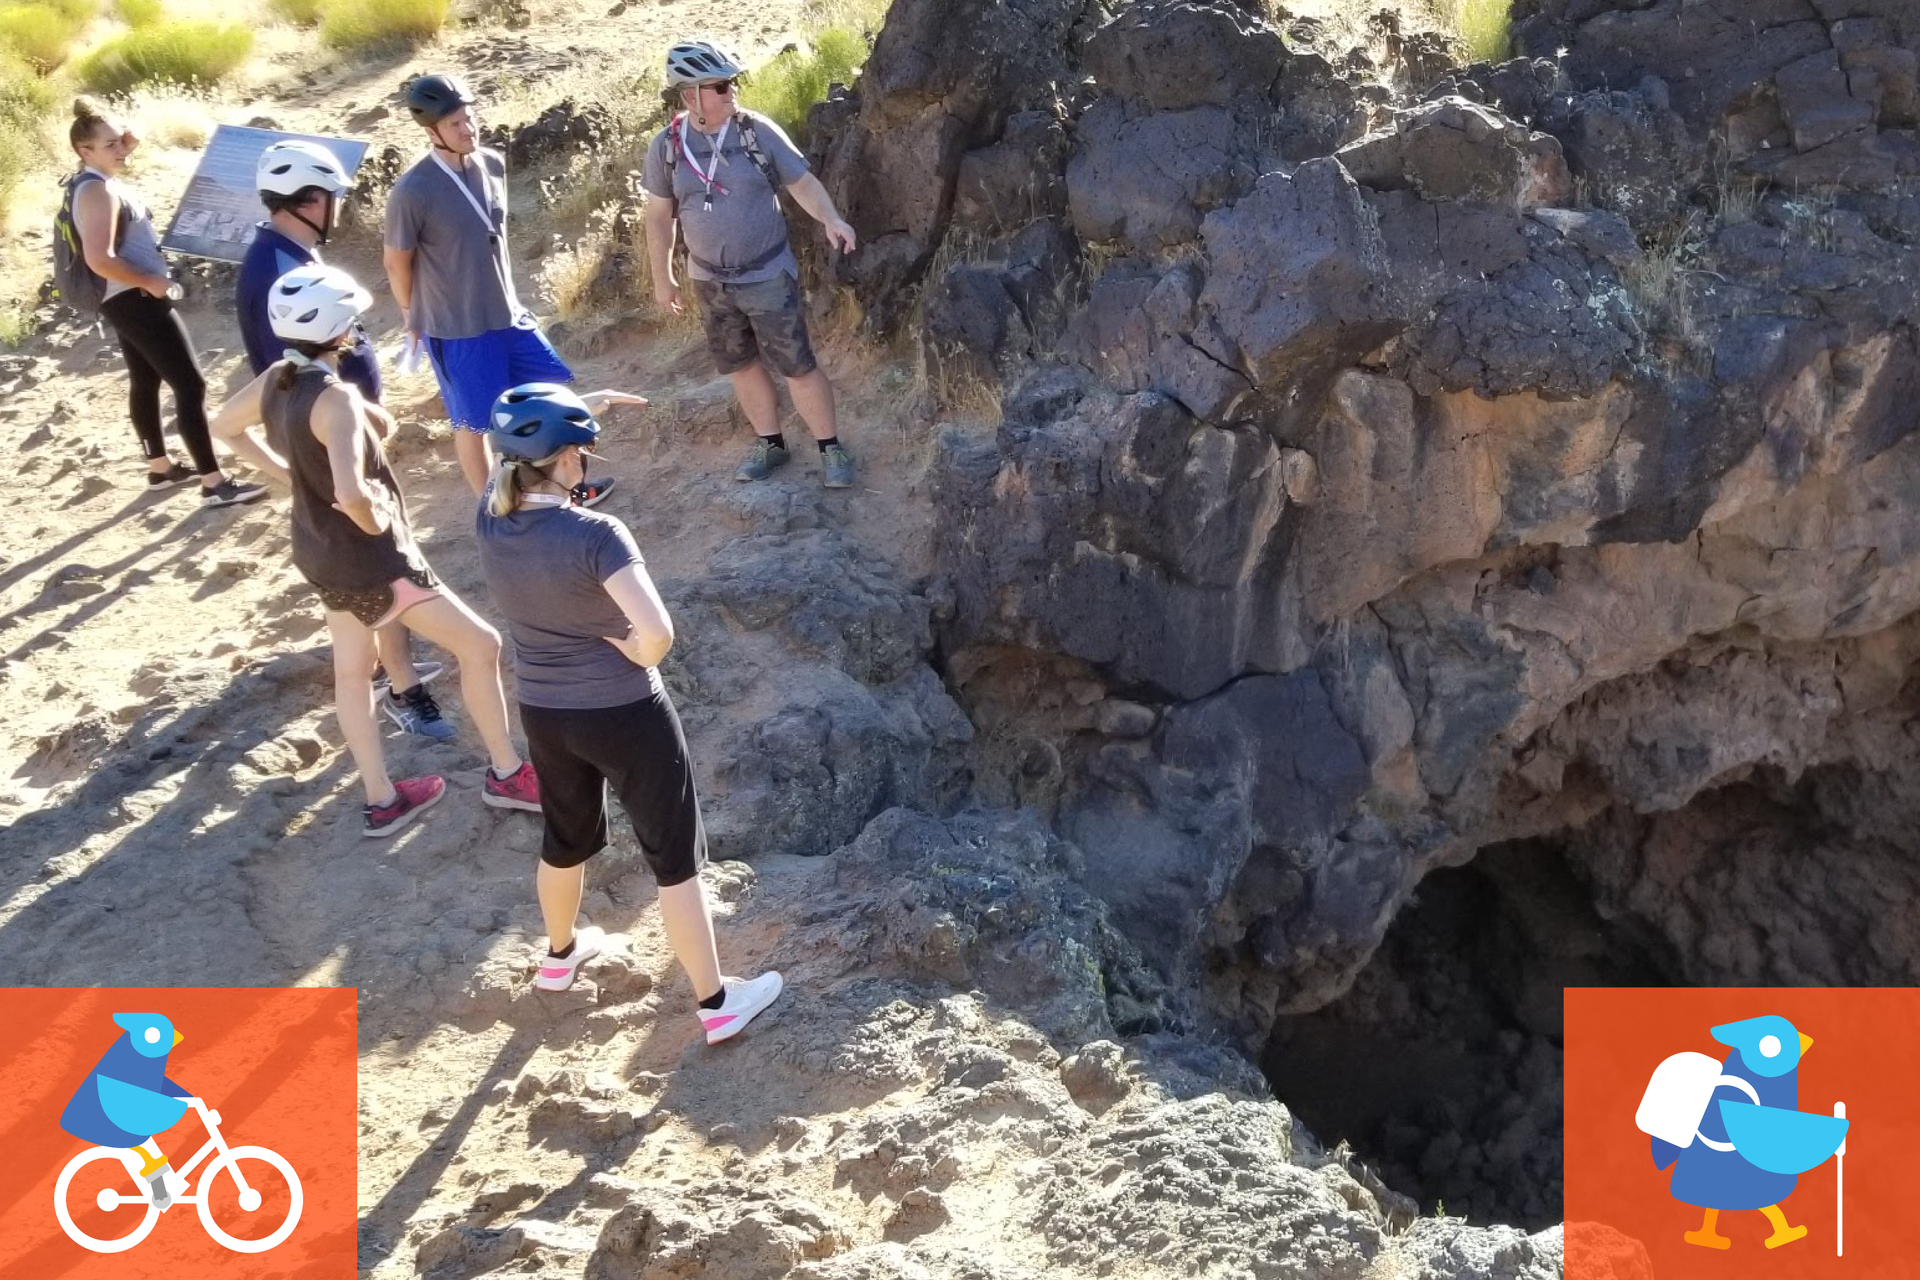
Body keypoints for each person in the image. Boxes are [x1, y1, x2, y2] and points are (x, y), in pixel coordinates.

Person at [474, 382, 784, 1044]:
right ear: (567, 461)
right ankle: (717, 1003)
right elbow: (658, 634)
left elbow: (500, 447)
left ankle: (559, 959)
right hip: (625, 710)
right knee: (675, 858)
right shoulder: (595, 533)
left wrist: (574, 411)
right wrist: (633, 647)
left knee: (565, 838)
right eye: (583, 449)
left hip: (544, 710)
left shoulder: (489, 513)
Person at [209, 264, 544, 837]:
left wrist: (289, 475)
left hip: (319, 556)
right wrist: (370, 514)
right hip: (376, 561)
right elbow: (350, 491)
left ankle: (382, 800)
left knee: (352, 675)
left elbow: (224, 426)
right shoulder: (333, 399)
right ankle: (507, 774)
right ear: (341, 329)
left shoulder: (276, 379)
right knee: (481, 646)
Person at [237, 138, 449, 737]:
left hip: (342, 434)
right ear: (306, 200)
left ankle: (394, 675)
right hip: (333, 439)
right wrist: (305, 468)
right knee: (382, 559)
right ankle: (403, 687)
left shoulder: (284, 254)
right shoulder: (278, 268)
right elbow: (276, 375)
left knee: (374, 571)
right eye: (331, 197)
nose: (338, 208)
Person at [382, 72, 613, 507]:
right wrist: (411, 315)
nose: (468, 129)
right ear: (431, 131)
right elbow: (396, 262)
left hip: (509, 314)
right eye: (454, 124)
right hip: (456, 326)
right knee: (473, 424)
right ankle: (497, 509)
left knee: (553, 394)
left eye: (469, 118)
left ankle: (568, 489)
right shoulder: (412, 191)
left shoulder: (492, 163)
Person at [642, 40, 859, 489]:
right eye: (720, 86)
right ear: (690, 96)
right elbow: (659, 218)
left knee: (797, 365)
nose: (731, 92)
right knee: (740, 365)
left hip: (767, 274)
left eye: (732, 83)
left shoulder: (755, 131)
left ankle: (831, 448)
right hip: (709, 280)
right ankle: (772, 444)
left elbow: (802, 182)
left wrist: (831, 219)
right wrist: (662, 279)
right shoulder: (666, 147)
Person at [67, 97, 265, 508]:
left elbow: (112, 161)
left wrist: (123, 144)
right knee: (191, 384)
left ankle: (160, 468)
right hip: (134, 296)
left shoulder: (91, 179)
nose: (120, 149)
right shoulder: (98, 192)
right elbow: (99, 259)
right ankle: (214, 482)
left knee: (147, 379)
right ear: (85, 151)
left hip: (121, 298)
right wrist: (151, 282)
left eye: (120, 140)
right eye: (109, 145)